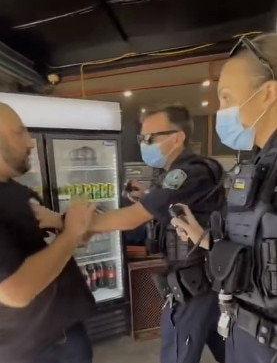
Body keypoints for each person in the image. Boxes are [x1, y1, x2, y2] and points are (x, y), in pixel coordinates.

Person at [35, 105, 225, 363]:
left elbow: (132, 218)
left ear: (177, 138)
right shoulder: (178, 173)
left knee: (177, 353)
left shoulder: (188, 172)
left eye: (150, 138)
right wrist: (147, 197)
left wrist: (62, 220)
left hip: (194, 284)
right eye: (141, 138)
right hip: (205, 279)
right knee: (225, 346)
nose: (144, 144)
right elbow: (174, 205)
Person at [171, 33, 277, 363]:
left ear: (268, 94)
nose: (221, 111)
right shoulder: (261, 164)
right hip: (247, 337)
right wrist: (204, 240)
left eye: (226, 98)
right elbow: (261, 252)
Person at [0, 102, 96, 363]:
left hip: (62, 334)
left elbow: (61, 240)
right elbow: (14, 291)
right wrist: (72, 233)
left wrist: (68, 225)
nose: (31, 142)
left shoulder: (18, 192)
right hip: (35, 348)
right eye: (19, 133)